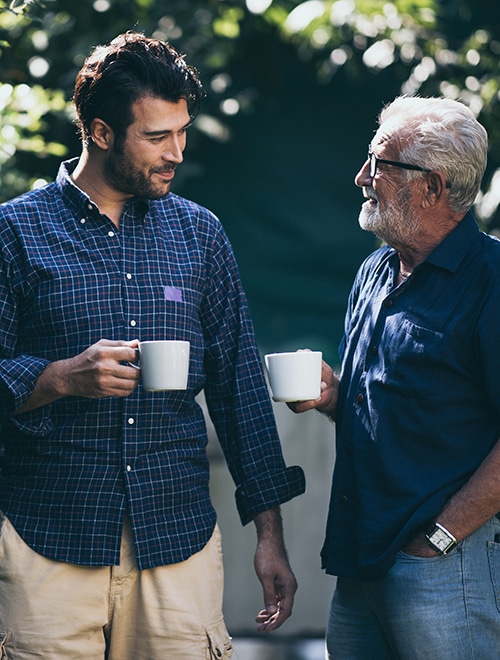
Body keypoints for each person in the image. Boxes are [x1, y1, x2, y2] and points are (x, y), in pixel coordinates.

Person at [0, 31, 305, 659]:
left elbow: (239, 387)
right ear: (101, 132)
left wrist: (270, 535)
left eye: (183, 131)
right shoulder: (14, 233)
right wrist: (58, 377)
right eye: (157, 137)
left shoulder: (199, 235)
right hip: (45, 538)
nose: (177, 153)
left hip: (177, 539)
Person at [291, 95, 500, 659]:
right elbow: (398, 406)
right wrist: (338, 398)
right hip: (361, 560)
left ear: (432, 187)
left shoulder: (492, 282)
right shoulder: (375, 269)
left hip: (444, 565)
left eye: (379, 164)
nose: (362, 177)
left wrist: (438, 539)